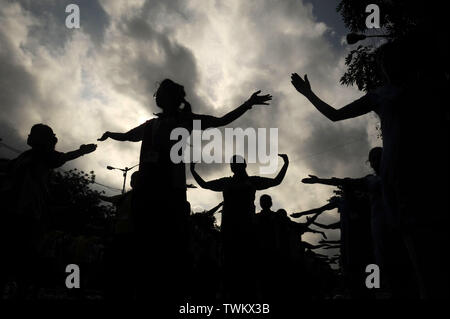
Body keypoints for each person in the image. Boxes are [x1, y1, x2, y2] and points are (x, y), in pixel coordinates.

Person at [291, 39, 449, 297]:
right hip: (397, 177)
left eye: (391, 60)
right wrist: (308, 94)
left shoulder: (427, 86)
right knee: (411, 248)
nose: (387, 66)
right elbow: (335, 115)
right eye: (382, 63)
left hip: (426, 170)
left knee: (431, 245)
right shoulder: (380, 95)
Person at [97, 79, 271, 301]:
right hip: (146, 192)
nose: (159, 96)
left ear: (173, 98)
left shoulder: (187, 121)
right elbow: (128, 135)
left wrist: (247, 104)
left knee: (170, 246)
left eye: (162, 92)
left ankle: (171, 291)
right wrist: (111, 134)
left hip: (172, 191)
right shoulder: (150, 125)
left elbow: (220, 120)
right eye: (158, 93)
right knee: (144, 246)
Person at [4, 124, 96, 297]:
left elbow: (63, 157)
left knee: (25, 251)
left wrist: (81, 151)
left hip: (29, 211)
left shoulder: (43, 155)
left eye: (35, 134)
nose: (30, 137)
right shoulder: (25, 156)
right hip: (15, 208)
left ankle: (25, 288)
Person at [190, 154, 288, 300]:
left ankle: (247, 294)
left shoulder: (251, 181)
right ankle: (229, 294)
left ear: (243, 165)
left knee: (247, 265)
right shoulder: (228, 182)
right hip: (230, 229)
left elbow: (276, 181)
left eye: (235, 163)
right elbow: (204, 185)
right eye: (232, 163)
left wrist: (286, 163)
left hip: (247, 229)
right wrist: (192, 170)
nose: (232, 166)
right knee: (229, 263)